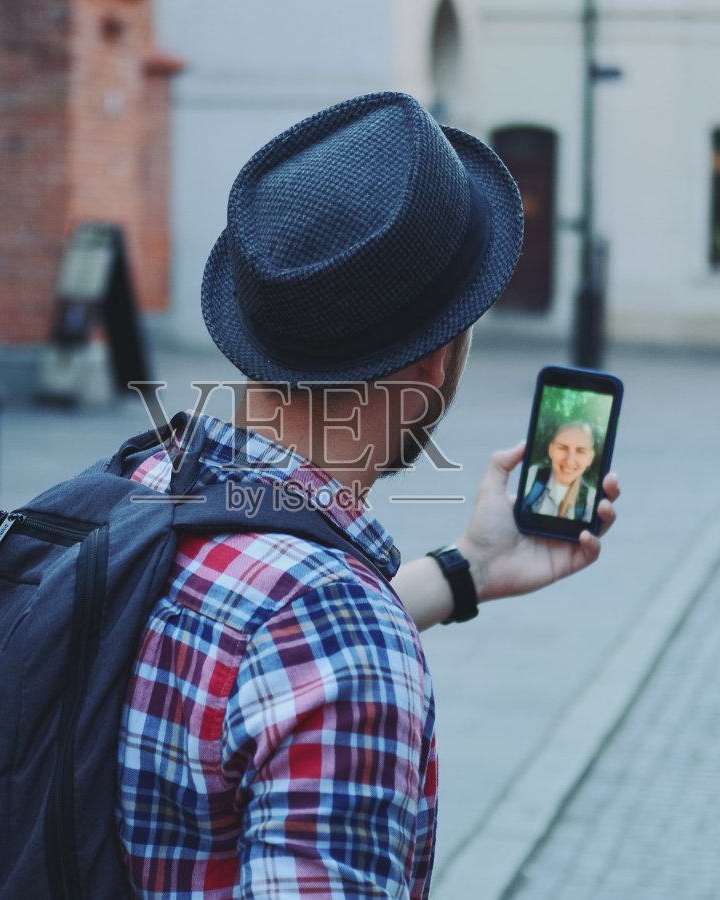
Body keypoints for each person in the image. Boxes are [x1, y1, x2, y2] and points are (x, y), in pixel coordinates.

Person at [115, 92, 621, 899]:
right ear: (433, 365)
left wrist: (469, 569)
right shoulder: (340, 639)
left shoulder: (140, 488)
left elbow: (265, 648)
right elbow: (311, 644)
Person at [521, 421, 600, 520]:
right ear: (551, 450)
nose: (570, 461)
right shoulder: (532, 477)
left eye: (581, 451)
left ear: (590, 458)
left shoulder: (591, 499)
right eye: (562, 448)